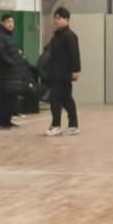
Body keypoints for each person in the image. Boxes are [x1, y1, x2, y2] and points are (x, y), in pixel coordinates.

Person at [40, 7, 81, 137]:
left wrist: (75, 70)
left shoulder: (70, 36)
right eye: (55, 18)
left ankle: (57, 125)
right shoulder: (57, 36)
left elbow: (74, 54)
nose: (56, 21)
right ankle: (73, 125)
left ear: (67, 19)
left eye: (59, 18)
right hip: (55, 73)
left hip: (63, 74)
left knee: (56, 100)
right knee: (66, 99)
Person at [0, 13, 29, 129]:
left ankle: (7, 120)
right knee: (6, 97)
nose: (10, 24)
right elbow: (1, 53)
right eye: (8, 22)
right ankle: (1, 122)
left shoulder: (9, 36)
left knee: (11, 97)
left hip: (13, 71)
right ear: (2, 23)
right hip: (7, 71)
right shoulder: (0, 36)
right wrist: (11, 62)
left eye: (12, 22)